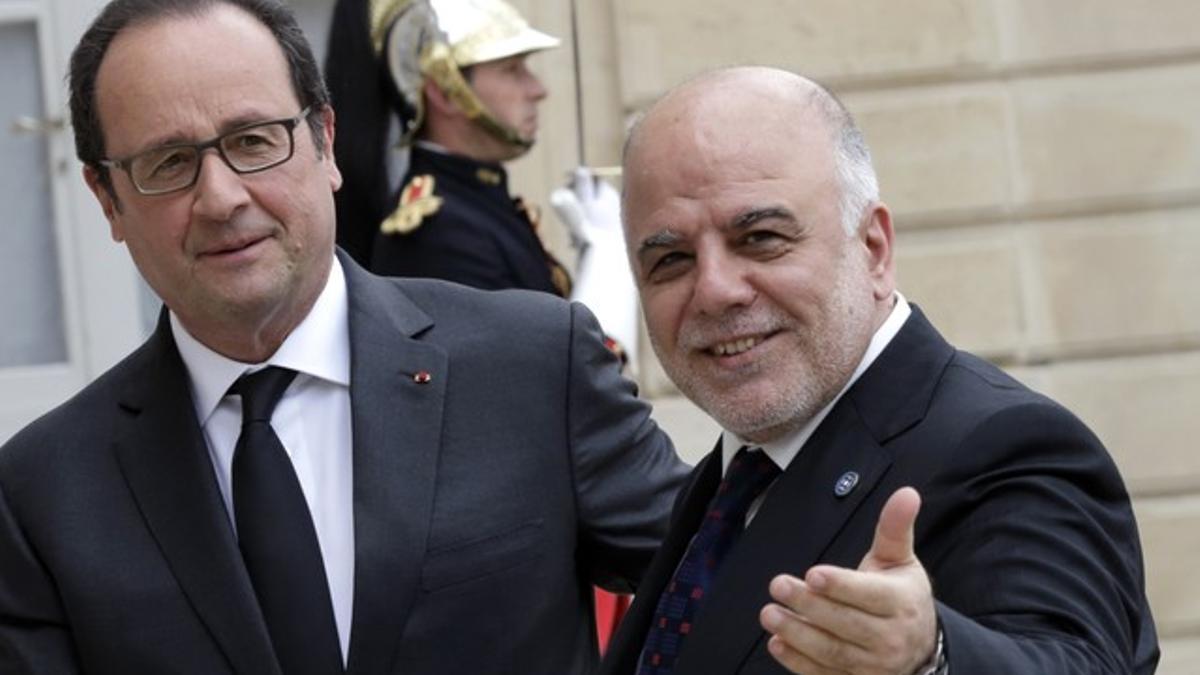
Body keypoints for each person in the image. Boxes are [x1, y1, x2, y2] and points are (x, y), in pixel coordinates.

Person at [0, 1, 688, 673]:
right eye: (168, 162)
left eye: (253, 140)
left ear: (325, 142)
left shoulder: (534, 368)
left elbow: (729, 592)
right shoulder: (43, 494)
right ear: (105, 199)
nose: (221, 197)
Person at [602, 66, 1159, 675]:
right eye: (671, 259)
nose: (714, 290)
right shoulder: (737, 479)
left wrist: (931, 657)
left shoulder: (1003, 446)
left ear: (873, 249)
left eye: (760, 238)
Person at [327, 0, 641, 366]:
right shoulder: (435, 234)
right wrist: (608, 262)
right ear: (445, 91)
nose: (537, 88)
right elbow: (539, 381)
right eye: (512, 69)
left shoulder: (478, 203)